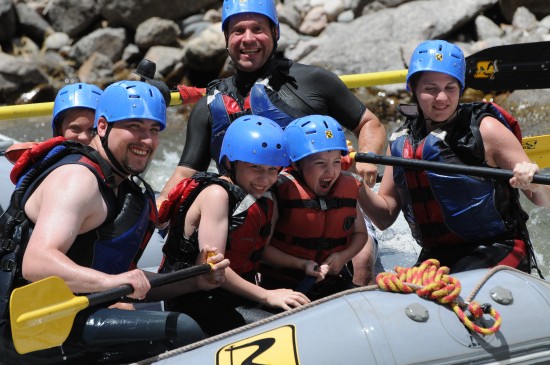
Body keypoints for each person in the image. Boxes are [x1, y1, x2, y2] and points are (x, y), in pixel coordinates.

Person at [0, 80, 229, 364]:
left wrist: (195, 281)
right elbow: (37, 262)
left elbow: (131, 283)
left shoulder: (123, 188)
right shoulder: (78, 180)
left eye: (153, 129)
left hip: (76, 312)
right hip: (31, 324)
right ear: (103, 127)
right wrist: (111, 282)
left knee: (201, 309)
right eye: (134, 126)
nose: (146, 140)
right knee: (179, 330)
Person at [158, 0, 384, 286]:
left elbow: (369, 124)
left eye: (258, 29)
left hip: (323, 215)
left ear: (275, 33)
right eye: (238, 31)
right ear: (227, 39)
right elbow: (185, 172)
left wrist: (366, 156)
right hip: (257, 221)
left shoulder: (314, 81)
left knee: (361, 255)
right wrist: (157, 209)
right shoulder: (209, 105)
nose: (248, 39)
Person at [360, 40, 550, 274]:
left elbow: (544, 199)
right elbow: (385, 216)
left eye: (450, 88)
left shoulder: (487, 130)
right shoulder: (402, 141)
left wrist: (532, 180)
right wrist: (355, 185)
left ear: (460, 89)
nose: (441, 98)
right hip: (437, 256)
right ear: (413, 88)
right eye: (430, 89)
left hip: (497, 249)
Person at [157, 115, 310, 336]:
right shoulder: (216, 195)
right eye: (255, 167)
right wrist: (267, 295)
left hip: (238, 296)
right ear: (230, 163)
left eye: (271, 169)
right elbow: (214, 267)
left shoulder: (265, 198)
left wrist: (302, 265)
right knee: (288, 330)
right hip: (197, 299)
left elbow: (260, 251)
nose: (264, 178)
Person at [260, 115, 372, 299]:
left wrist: (343, 257)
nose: (331, 171)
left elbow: (360, 234)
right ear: (296, 164)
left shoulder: (345, 188)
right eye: (320, 163)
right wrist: (300, 264)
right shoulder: (279, 192)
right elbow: (262, 250)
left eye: (337, 162)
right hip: (282, 285)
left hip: (331, 280)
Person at [3, 82, 102, 165]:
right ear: (59, 130)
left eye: (93, 129)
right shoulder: (46, 163)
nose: (84, 137)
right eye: (75, 129)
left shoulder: (114, 162)